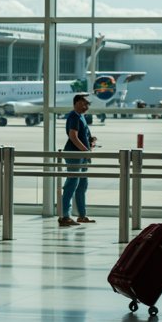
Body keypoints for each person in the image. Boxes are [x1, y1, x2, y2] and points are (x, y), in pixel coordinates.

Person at [59, 93, 96, 227]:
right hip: (75, 154)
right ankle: (65, 216)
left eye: (87, 104)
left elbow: (82, 135)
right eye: (83, 103)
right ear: (76, 103)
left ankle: (81, 215)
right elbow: (73, 136)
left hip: (82, 155)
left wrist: (90, 142)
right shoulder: (74, 116)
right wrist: (85, 150)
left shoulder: (81, 117)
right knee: (71, 184)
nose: (86, 106)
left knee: (82, 185)